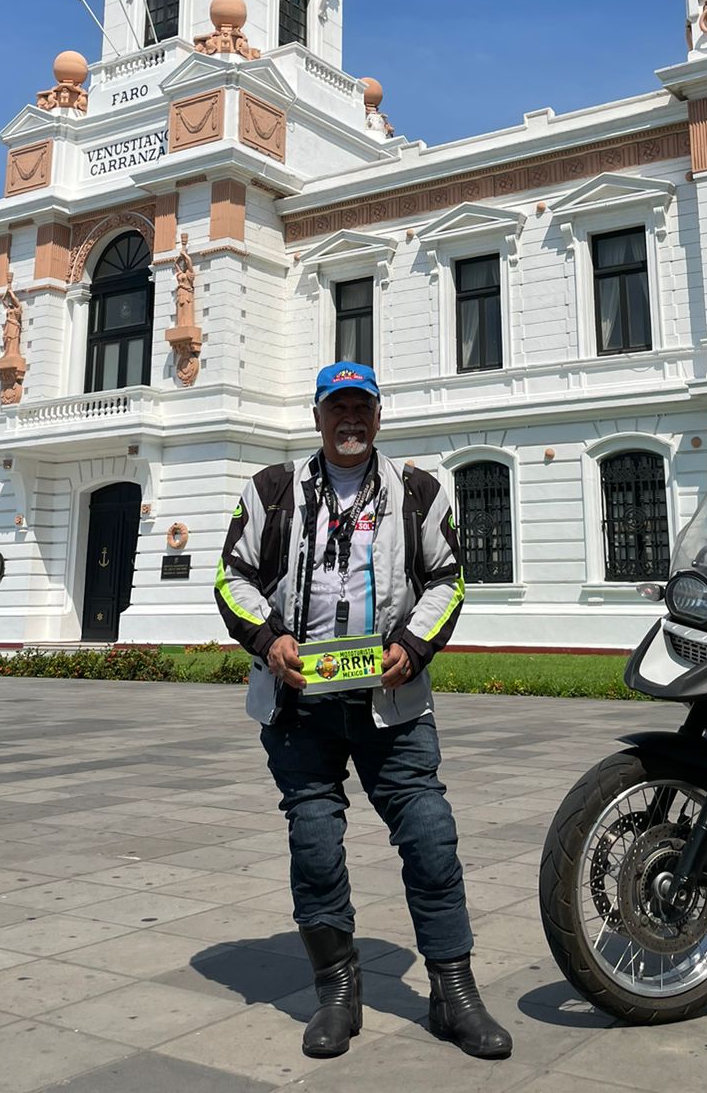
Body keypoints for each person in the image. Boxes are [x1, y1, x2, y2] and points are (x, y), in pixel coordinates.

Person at [215, 362, 512, 1061]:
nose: (350, 420)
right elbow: (232, 576)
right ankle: (337, 991)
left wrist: (412, 643)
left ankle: (452, 992)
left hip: (393, 702)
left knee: (431, 837)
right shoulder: (270, 491)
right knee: (315, 845)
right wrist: (268, 638)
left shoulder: (420, 493)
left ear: (378, 417)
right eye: (337, 408)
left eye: (362, 408)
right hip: (299, 707)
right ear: (318, 417)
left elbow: (447, 580)